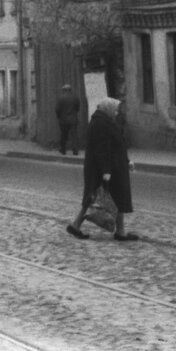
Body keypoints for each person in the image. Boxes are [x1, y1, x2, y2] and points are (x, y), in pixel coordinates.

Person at [68, 97, 137, 241]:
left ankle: (77, 226)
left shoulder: (106, 122)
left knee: (111, 199)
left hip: (114, 167)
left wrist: (126, 160)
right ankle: (119, 232)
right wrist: (106, 171)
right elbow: (102, 149)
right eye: (115, 109)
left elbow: (117, 146)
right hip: (106, 170)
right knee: (101, 199)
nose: (117, 113)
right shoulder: (100, 124)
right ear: (108, 109)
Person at [55, 84, 81, 156]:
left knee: (64, 135)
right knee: (74, 135)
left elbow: (57, 109)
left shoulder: (60, 98)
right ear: (70, 90)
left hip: (63, 120)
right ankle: (75, 151)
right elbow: (78, 108)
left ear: (64, 90)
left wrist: (59, 117)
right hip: (73, 119)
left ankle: (63, 150)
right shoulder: (75, 98)